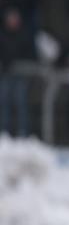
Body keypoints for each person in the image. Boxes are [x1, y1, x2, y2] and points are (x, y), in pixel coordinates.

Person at [0, 8, 36, 137]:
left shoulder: (24, 35)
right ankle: (4, 133)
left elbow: (29, 54)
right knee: (3, 102)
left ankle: (23, 133)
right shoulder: (2, 35)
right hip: (5, 74)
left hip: (21, 75)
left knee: (21, 103)